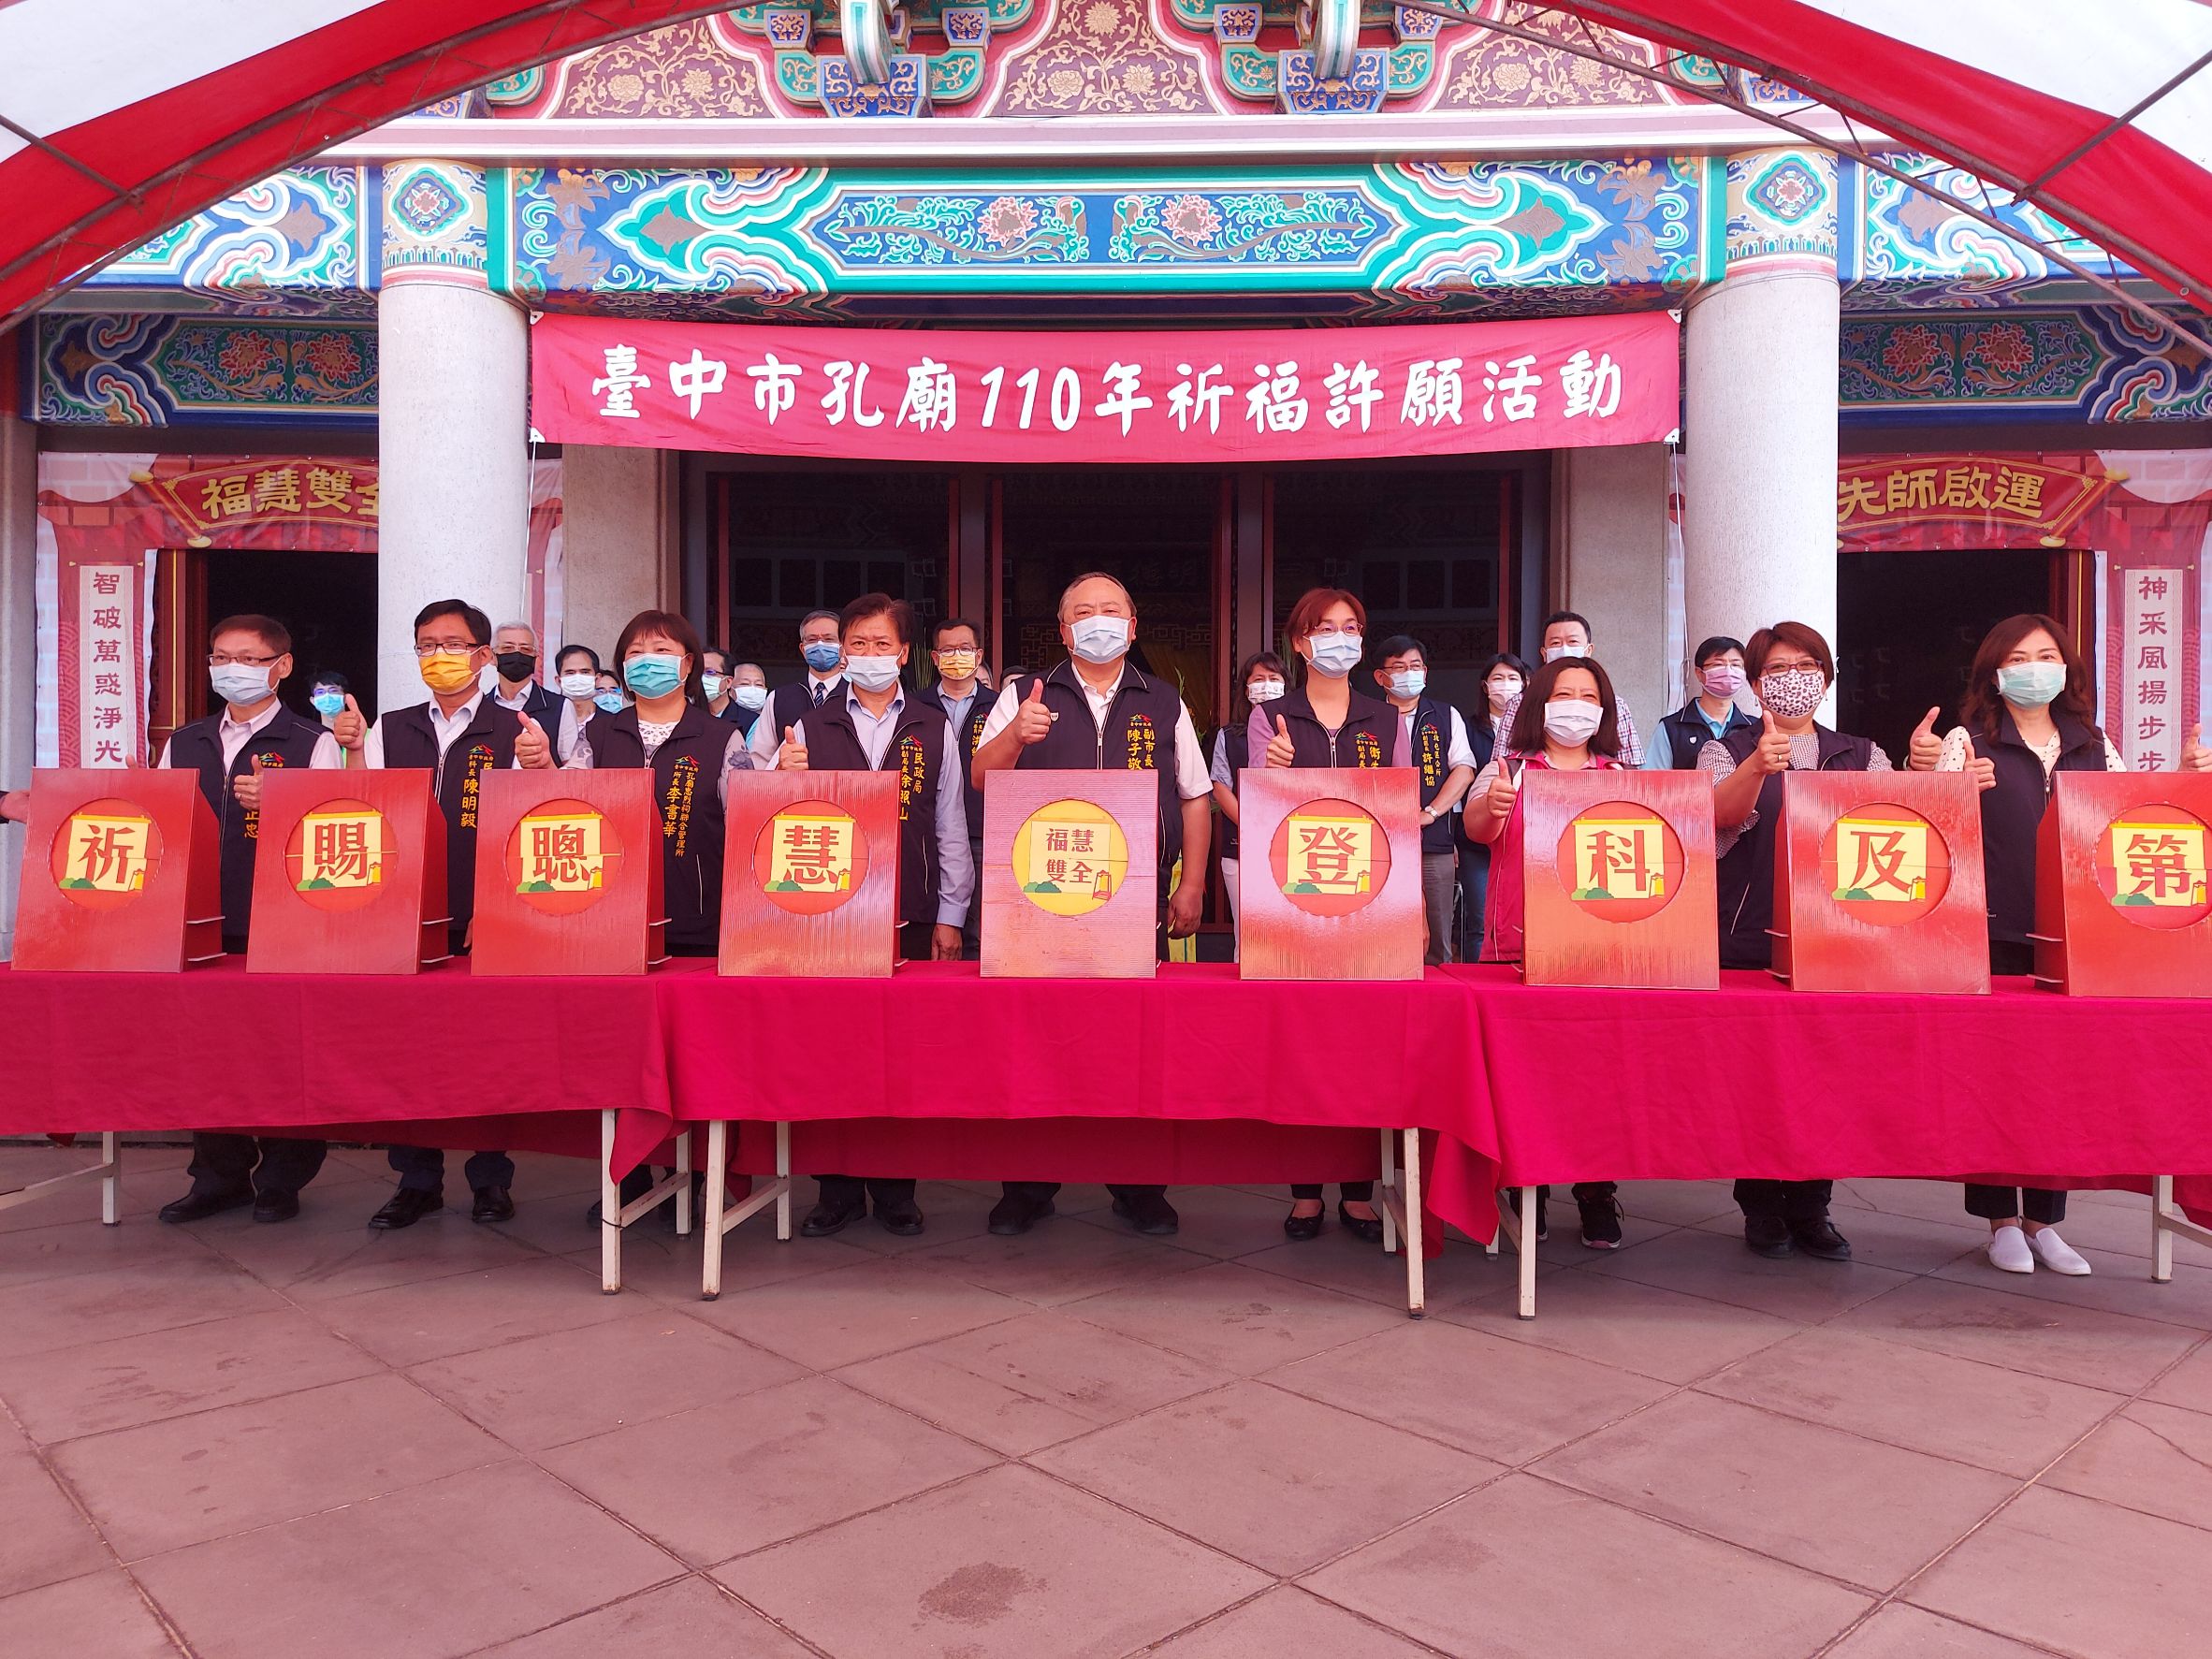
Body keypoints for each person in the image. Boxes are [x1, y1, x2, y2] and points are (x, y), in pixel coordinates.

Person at [970, 572, 1211, 1238]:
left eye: (1110, 610)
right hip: (1039, 896)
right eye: (1083, 612)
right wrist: (1016, 736)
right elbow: (981, 777)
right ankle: (1027, 1184)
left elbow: (1194, 794)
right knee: (1034, 1039)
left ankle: (1138, 1186)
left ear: (1132, 626)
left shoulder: (1164, 699)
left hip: (1135, 899)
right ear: (1063, 629)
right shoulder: (1025, 694)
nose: (1097, 621)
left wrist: (1191, 883)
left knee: (1134, 1041)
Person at [1904, 614, 2141, 1276]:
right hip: (1992, 931)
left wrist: (2184, 775)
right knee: (1994, 1078)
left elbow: (2127, 821)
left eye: (2046, 655)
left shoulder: (2096, 743)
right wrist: (1939, 783)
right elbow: (1930, 831)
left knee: (2058, 1080)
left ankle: (2045, 1221)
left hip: (2074, 935)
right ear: (1994, 674)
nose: (2034, 668)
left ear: (2066, 668)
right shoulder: (1969, 741)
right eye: (2018, 658)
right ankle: (2000, 1222)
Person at [338, 599, 557, 1230]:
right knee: (406, 1049)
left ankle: (490, 1178)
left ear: (484, 656)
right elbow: (362, 806)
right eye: (427, 645)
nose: (439, 656)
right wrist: (350, 750)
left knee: (487, 1048)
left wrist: (542, 768)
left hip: (484, 913)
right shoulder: (390, 727)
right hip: (404, 911)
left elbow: (532, 826)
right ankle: (416, 1179)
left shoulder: (515, 729)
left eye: (453, 645)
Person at [780, 594, 972, 1238]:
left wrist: (951, 912)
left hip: (909, 912)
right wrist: (781, 773)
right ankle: (834, 1190)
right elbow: (768, 812)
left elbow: (950, 824)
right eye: (856, 643)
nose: (867, 654)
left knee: (901, 1052)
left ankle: (895, 1189)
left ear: (904, 652)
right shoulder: (808, 725)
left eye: (880, 644)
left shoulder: (932, 726)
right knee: (827, 1053)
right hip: (826, 915)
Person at [1705, 620, 1884, 1262]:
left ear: (1827, 678)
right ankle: (1760, 1206)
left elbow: (1891, 825)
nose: (1793, 678)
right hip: (1748, 936)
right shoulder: (1725, 748)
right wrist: (1757, 765)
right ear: (1757, 685)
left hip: (1836, 941)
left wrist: (1929, 774)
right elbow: (1714, 817)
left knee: (1825, 1077)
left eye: (1807, 666)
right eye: (1778, 669)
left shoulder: (1862, 753)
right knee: (1758, 1077)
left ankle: (1813, 1206)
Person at [155, 615, 341, 1225]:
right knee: (209, 1052)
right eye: (220, 657)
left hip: (282, 922)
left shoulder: (312, 741)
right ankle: (218, 1176)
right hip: (201, 920)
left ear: (281, 667)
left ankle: (283, 1177)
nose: (230, 669)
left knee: (284, 1050)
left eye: (248, 658)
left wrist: (285, 799)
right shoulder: (185, 741)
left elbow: (336, 828)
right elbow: (164, 823)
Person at [1464, 653, 1630, 1248]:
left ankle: (1596, 1190)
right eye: (1564, 695)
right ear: (1539, 705)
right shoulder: (1506, 767)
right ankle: (1524, 1186)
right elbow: (1478, 829)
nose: (1576, 707)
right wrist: (1492, 807)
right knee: (1524, 1078)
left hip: (1600, 952)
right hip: (1518, 949)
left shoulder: (1621, 776)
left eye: (1589, 697)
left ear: (1605, 711)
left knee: (1596, 1079)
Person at [1246, 589, 1394, 1241]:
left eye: (1351, 627)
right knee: (1303, 1047)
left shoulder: (1383, 718)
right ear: (1300, 643)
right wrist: (1270, 771)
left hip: (1370, 902)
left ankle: (1358, 1190)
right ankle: (1305, 1190)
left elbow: (1397, 815)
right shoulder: (1272, 717)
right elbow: (1258, 812)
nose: (1340, 638)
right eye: (1325, 628)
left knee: (1363, 1047)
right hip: (1293, 902)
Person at [1372, 633, 1478, 966]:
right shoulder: (1367, 718)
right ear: (1381, 677)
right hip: (1378, 844)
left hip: (1434, 842)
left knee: (1437, 936)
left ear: (1426, 672)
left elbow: (1464, 770)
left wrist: (1431, 812)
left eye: (1415, 666)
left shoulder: (1445, 715)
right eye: (1399, 667)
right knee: (1381, 933)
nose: (1409, 673)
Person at [924, 617, 992, 957]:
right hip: (926, 832)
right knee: (928, 924)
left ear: (978, 656)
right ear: (935, 658)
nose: (956, 656)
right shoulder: (916, 706)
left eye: (964, 649)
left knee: (979, 931)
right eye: (948, 650)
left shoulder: (1000, 707)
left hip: (982, 831)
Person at [1456, 651, 1528, 959]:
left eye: (1512, 678)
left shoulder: (1534, 729)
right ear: (1485, 686)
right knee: (1479, 920)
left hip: (1518, 840)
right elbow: (1458, 780)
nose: (1505, 684)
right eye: (1498, 678)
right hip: (1476, 838)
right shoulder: (1467, 726)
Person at [1210, 651, 1286, 930]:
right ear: (1246, 689)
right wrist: (1252, 827)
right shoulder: (1229, 736)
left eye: (1274, 679)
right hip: (1240, 848)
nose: (1266, 685)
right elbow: (1220, 787)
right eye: (1259, 679)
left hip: (1293, 848)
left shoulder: (1300, 731)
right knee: (1248, 933)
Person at [1527, 611, 1644, 766]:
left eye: (1573, 642)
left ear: (1588, 650)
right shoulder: (1521, 702)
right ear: (1544, 653)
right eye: (1555, 643)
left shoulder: (1616, 705)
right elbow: (1503, 763)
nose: (1564, 649)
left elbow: (1629, 765)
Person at [751, 609, 846, 770]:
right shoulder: (778, 699)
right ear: (803, 649)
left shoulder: (857, 697)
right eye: (812, 640)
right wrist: (779, 769)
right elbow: (760, 761)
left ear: (843, 648)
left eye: (828, 639)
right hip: (790, 785)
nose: (820, 645)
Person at [1648, 635, 1755, 770]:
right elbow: (1654, 778)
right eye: (1718, 664)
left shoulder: (1754, 727)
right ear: (1699, 673)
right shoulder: (1671, 729)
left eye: (1736, 665)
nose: (1728, 671)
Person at [488, 621, 564, 735]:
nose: (517, 654)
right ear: (491, 657)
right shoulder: (479, 707)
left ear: (537, 659)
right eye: (507, 648)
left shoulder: (561, 707)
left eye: (526, 649)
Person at [552, 644, 603, 762]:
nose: (578, 678)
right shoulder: (547, 722)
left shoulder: (610, 723)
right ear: (559, 681)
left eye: (585, 672)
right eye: (570, 673)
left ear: (597, 679)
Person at [724, 662, 769, 735]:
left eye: (759, 684)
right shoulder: (723, 721)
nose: (753, 689)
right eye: (744, 684)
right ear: (730, 690)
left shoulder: (773, 720)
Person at [307, 670, 352, 735]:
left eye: (333, 690)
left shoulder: (364, 734)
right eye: (320, 692)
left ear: (345, 698)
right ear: (313, 701)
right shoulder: (310, 737)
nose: (327, 696)